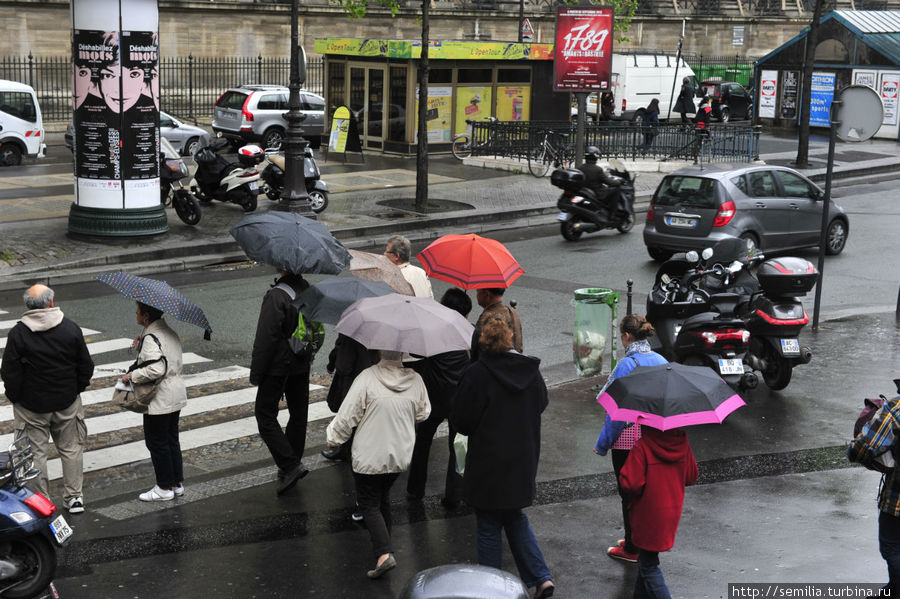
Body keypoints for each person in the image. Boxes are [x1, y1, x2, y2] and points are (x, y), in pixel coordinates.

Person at [451, 316, 555, 599]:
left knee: (488, 522)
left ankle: (490, 590)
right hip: (523, 458)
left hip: (488, 461)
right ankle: (540, 577)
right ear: (510, 339)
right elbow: (541, 403)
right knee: (513, 515)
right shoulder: (530, 372)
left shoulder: (476, 374)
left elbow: (462, 421)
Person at [325, 350, 430, 579]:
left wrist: (333, 439)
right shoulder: (416, 380)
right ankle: (383, 547)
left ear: (380, 350)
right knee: (382, 499)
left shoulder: (367, 378)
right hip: (399, 454)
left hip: (370, 455)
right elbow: (423, 414)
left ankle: (384, 554)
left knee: (368, 503)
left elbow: (347, 416)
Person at [0, 284, 93, 513]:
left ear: (27, 306)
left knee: (35, 454)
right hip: (66, 401)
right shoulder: (70, 328)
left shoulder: (19, 333)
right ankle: (74, 498)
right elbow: (86, 366)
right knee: (71, 449)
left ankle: (42, 501)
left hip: (31, 406)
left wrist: (16, 398)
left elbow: (10, 372)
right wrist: (75, 389)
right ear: (51, 302)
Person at [593, 314, 668, 563]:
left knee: (628, 491)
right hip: (652, 438)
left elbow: (616, 413)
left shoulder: (627, 365)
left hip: (627, 442)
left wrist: (602, 444)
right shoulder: (660, 360)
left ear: (626, 336)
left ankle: (633, 548)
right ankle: (637, 538)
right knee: (644, 491)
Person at [405, 288, 472, 506]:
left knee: (422, 443)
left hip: (433, 397)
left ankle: (415, 490)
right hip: (458, 401)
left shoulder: (434, 331)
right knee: (457, 448)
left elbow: (414, 352)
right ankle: (454, 496)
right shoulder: (469, 333)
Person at [250, 269, 312, 495]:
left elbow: (266, 337)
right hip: (301, 361)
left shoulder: (276, 296)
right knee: (298, 414)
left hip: (278, 365)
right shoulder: (305, 288)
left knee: (265, 415)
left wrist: (256, 372)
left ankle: (290, 465)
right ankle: (292, 462)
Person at [620, 426, 698, 598]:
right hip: (671, 511)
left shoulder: (643, 446)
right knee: (645, 560)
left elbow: (630, 484)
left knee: (649, 565)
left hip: (647, 514)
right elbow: (692, 476)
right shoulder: (682, 443)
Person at [121, 302, 187, 502]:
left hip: (160, 397)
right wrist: (142, 347)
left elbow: (156, 369)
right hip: (175, 392)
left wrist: (132, 376)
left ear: (146, 316)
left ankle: (164, 487)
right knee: (171, 439)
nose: (136, 314)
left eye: (138, 312)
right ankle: (176, 484)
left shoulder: (152, 337)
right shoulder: (169, 332)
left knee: (157, 442)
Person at [848, 393, 900, 597]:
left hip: (897, 500)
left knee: (893, 546)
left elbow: (867, 445)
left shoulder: (896, 408)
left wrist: (852, 451)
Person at [320, 334, 379, 461]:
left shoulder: (351, 330)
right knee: (366, 415)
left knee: (349, 414)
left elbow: (343, 364)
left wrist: (332, 365)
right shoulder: (380, 329)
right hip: (373, 376)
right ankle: (361, 449)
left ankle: (345, 449)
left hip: (353, 379)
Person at [471, 287, 523, 361]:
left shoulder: (486, 317)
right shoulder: (513, 312)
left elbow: (476, 350)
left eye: (477, 291)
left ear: (486, 294)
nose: (477, 295)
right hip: (514, 365)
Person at [577, 146, 622, 219]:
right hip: (597, 193)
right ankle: (612, 214)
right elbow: (608, 182)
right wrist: (617, 182)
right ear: (595, 157)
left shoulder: (580, 168)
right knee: (616, 191)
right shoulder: (598, 169)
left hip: (585, 191)